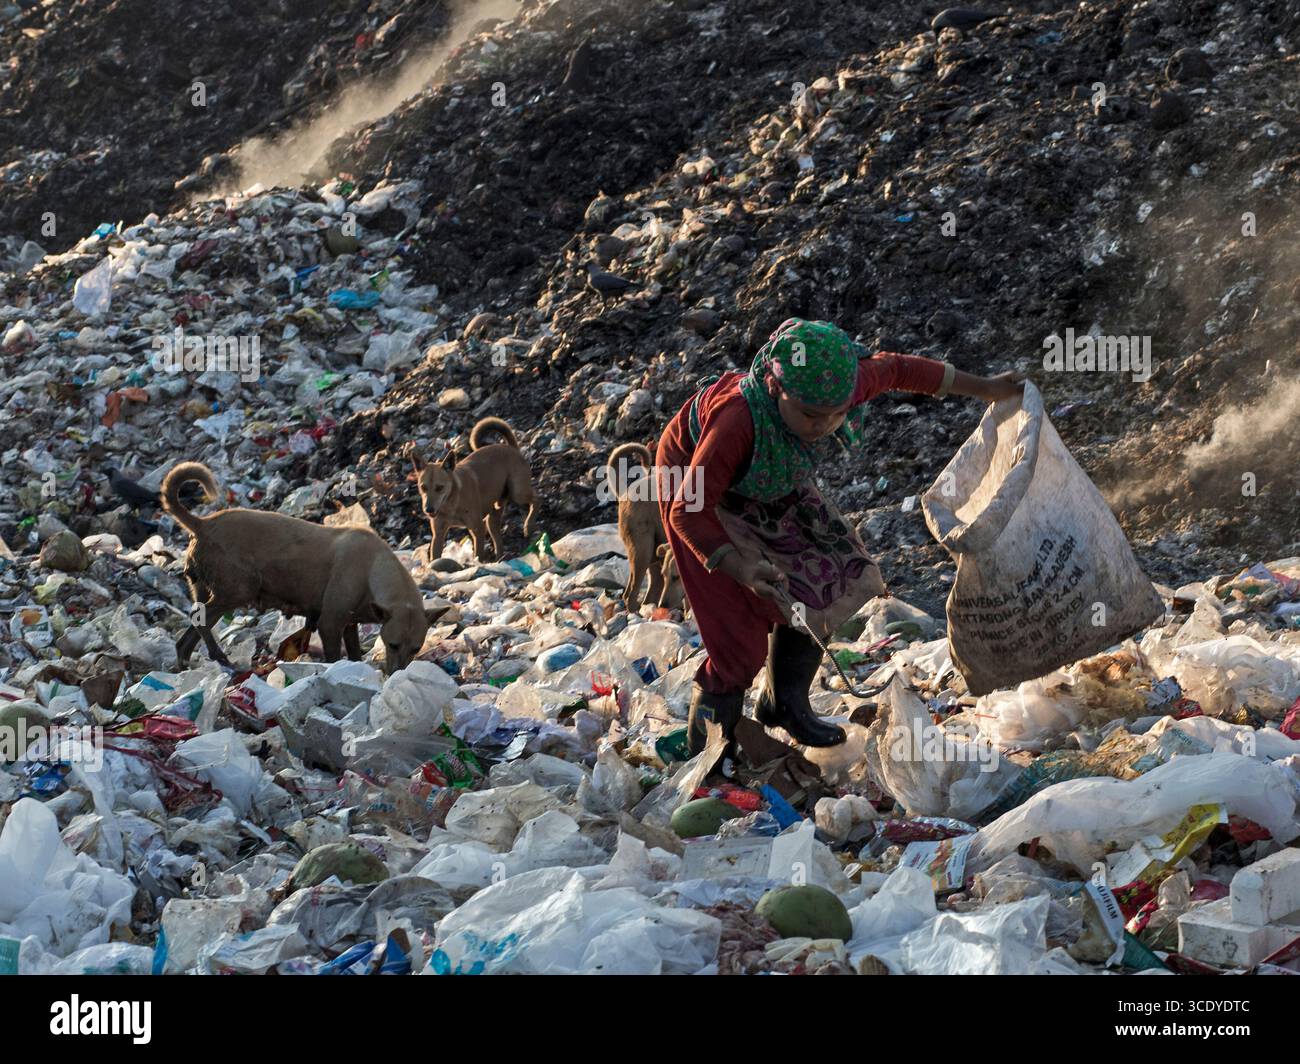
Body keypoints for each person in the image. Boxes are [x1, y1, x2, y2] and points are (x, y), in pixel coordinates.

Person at [655, 318, 1025, 756]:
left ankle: (785, 703)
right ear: (775, 388)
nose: (824, 425)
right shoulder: (737, 421)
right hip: (694, 486)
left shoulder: (840, 384)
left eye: (837, 414)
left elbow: (901, 369)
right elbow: (688, 510)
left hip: (768, 474)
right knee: (737, 637)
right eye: (811, 415)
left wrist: (988, 388)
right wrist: (741, 567)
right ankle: (709, 754)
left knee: (832, 575)